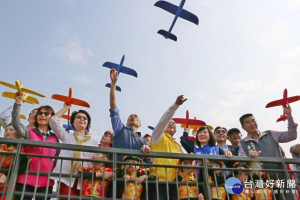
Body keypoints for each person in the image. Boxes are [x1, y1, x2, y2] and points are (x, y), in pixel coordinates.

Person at [238, 105, 297, 198]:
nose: (252, 123)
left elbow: (291, 135)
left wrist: (289, 115)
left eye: (253, 120)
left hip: (282, 177)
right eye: (248, 122)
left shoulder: (271, 134)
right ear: (243, 127)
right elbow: (241, 161)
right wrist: (249, 158)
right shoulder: (242, 143)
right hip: (262, 182)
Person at [12, 92, 58, 200]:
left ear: (51, 118)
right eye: (40, 113)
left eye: (46, 114)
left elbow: (56, 159)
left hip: (46, 183)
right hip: (26, 179)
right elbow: (16, 124)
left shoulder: (55, 138)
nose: (42, 115)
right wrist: (17, 103)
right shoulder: (29, 132)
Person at [49, 104, 99, 200]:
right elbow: (53, 121)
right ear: (73, 122)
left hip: (85, 180)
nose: (82, 119)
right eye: (78, 117)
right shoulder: (67, 136)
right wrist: (66, 108)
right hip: (67, 177)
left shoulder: (93, 142)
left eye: (85, 118)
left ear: (87, 124)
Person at [149, 95, 187, 200]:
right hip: (158, 183)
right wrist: (175, 106)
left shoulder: (178, 145)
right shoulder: (158, 136)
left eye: (174, 123)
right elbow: (163, 120)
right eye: (169, 122)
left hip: (175, 185)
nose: (171, 124)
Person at [109, 68, 150, 161]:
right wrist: (113, 84)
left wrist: (147, 153)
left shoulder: (143, 141)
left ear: (140, 124)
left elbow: (148, 161)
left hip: (136, 174)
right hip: (118, 172)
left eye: (136, 116)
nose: (133, 116)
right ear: (126, 122)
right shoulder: (120, 129)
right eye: (130, 116)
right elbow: (113, 107)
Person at [0, 124, 20, 200]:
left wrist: (6, 175)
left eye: (11, 130)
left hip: (8, 182)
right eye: (6, 130)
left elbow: (22, 165)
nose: (7, 132)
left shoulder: (21, 148)